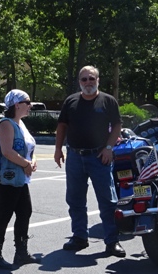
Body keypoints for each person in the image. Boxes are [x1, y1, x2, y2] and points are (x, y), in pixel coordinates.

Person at [53, 66, 125, 257]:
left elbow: (117, 125)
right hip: (75, 156)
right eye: (84, 79)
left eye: (91, 78)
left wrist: (108, 148)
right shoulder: (71, 101)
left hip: (99, 157)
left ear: (98, 80)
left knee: (107, 201)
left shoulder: (108, 101)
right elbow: (62, 125)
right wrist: (58, 149)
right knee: (75, 199)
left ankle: (112, 241)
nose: (88, 82)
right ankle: (79, 237)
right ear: (79, 82)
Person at [0, 89, 39, 270]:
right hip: (5, 178)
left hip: (20, 178)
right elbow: (7, 151)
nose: (30, 106)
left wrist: (32, 161)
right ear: (17, 105)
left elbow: (29, 148)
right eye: (27, 102)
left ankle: (21, 253)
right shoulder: (6, 124)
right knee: (4, 215)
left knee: (25, 212)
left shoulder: (20, 123)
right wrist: (26, 164)